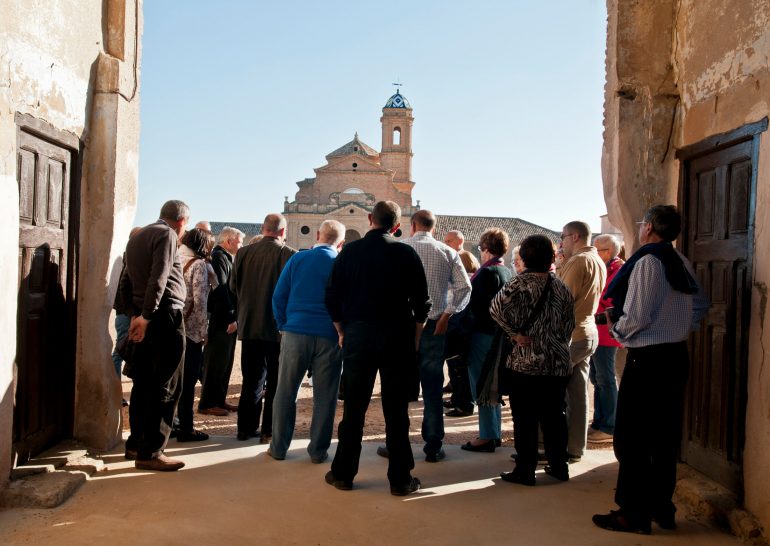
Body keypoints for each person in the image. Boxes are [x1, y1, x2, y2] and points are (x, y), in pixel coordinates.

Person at [593, 205, 708, 535]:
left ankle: (633, 512)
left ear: (648, 229)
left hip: (649, 360)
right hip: (675, 356)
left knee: (633, 438)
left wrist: (617, 331)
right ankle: (661, 506)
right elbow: (700, 303)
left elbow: (638, 315)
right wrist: (682, 326)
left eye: (642, 223)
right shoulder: (679, 261)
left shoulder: (647, 262)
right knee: (664, 436)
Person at [324, 201, 430, 496]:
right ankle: (400, 479)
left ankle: (344, 473)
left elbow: (331, 296)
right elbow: (422, 301)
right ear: (396, 225)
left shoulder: (349, 253)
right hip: (397, 336)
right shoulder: (405, 252)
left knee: (354, 407)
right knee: (396, 410)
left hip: (358, 334)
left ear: (370, 219)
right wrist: (416, 336)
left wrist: (342, 330)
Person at [490, 234, 575, 485]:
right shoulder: (561, 286)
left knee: (525, 418)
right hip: (557, 361)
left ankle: (525, 470)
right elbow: (570, 322)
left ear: (524, 258)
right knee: (555, 415)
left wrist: (514, 334)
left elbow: (495, 309)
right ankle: (559, 466)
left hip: (526, 362)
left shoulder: (517, 284)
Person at [395, 211, 471, 462]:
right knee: (432, 387)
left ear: (413, 225)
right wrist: (448, 315)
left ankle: (396, 443)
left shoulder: (400, 248)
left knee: (396, 387)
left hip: (403, 326)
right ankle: (433, 445)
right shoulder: (447, 252)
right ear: (434, 228)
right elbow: (464, 287)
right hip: (435, 325)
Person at [120, 200, 189, 471]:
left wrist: (134, 314)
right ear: (182, 221)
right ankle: (152, 452)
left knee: (143, 382)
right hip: (163, 317)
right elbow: (159, 276)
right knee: (168, 385)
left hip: (143, 314)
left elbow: (125, 281)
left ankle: (135, 443)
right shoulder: (167, 234)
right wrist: (147, 316)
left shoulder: (137, 237)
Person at [268, 220, 346, 463]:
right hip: (330, 336)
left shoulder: (298, 259)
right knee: (325, 396)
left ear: (317, 235)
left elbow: (279, 296)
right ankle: (318, 451)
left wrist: (283, 325)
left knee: (285, 392)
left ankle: (279, 448)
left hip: (296, 331)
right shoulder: (341, 263)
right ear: (341, 242)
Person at [230, 214, 296, 442]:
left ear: (262, 228)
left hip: (249, 325)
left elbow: (233, 287)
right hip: (278, 329)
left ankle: (245, 428)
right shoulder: (289, 255)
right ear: (283, 231)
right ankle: (269, 430)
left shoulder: (243, 253)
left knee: (251, 380)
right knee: (277, 382)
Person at [557, 220, 606, 462]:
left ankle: (552, 446)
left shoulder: (578, 261)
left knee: (552, 390)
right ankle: (575, 448)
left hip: (572, 335)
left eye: (563, 236)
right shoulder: (597, 259)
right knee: (577, 393)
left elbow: (561, 299)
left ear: (575, 237)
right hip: (586, 332)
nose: (561, 242)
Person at [461, 228, 512, 453]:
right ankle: (493, 431)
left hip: (483, 335)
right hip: (499, 335)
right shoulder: (507, 271)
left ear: (486, 249)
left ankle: (487, 435)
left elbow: (475, 309)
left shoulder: (487, 274)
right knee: (492, 385)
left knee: (482, 385)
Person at [198, 226, 244, 416]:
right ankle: (207, 403)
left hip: (227, 318)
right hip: (222, 319)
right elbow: (222, 289)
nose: (241, 245)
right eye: (239, 241)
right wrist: (232, 316)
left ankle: (219, 399)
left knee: (225, 362)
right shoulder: (219, 257)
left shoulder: (225, 257)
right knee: (216, 363)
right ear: (229, 241)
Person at [176, 227, 215, 442]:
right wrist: (203, 330)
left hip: (172, 326)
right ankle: (187, 428)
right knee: (188, 382)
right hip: (190, 330)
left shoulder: (175, 256)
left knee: (173, 381)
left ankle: (172, 423)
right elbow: (200, 302)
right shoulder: (198, 265)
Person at [588, 234, 624, 443]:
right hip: (596, 331)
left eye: (597, 249)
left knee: (605, 378)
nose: (594, 253)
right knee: (597, 378)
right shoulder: (605, 268)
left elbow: (607, 298)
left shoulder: (618, 270)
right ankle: (599, 422)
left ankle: (609, 426)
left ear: (608, 252)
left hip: (606, 332)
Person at [112, 226, 141, 405]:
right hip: (125, 314)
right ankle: (115, 391)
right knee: (121, 352)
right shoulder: (129, 258)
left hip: (124, 313)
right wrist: (131, 314)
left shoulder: (127, 257)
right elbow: (124, 290)